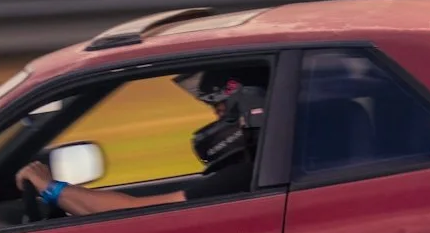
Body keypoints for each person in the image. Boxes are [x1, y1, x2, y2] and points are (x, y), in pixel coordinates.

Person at [14, 69, 267, 216]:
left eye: (220, 112)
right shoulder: (263, 167)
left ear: (249, 109)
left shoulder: (245, 176)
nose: (216, 121)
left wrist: (50, 187)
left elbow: (134, 212)